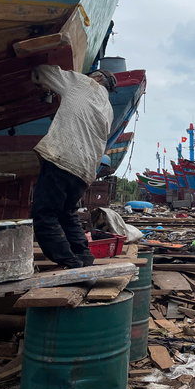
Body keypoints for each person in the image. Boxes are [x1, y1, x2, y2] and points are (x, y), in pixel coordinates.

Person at [30, 65, 116, 268]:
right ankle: (84, 257)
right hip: (85, 171)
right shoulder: (109, 109)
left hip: (63, 158)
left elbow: (42, 72)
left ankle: (70, 263)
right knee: (67, 213)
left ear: (96, 77)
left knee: (44, 214)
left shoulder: (82, 83)